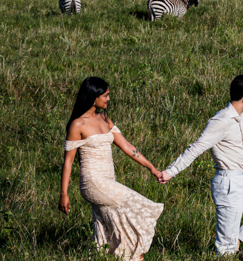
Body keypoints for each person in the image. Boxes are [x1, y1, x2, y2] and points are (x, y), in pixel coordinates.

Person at [160, 74, 243, 255]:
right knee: (225, 247)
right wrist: (171, 171)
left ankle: (238, 240)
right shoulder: (221, 121)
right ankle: (230, 248)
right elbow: (196, 148)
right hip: (228, 184)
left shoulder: (240, 118)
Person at [59, 77, 164, 261]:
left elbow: (126, 146)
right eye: (106, 95)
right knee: (143, 206)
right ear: (94, 97)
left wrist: (151, 167)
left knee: (106, 227)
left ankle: (111, 256)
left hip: (108, 180)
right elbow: (68, 161)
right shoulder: (78, 124)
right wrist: (64, 194)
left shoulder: (104, 118)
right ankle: (133, 255)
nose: (108, 99)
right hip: (93, 182)